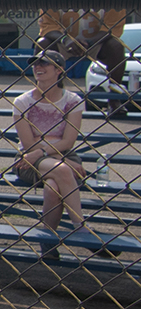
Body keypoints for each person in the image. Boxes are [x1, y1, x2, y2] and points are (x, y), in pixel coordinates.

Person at [12, 50, 101, 241]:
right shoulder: (22, 102)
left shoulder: (72, 101)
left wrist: (49, 153)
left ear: (59, 70)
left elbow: (69, 141)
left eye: (44, 63)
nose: (38, 67)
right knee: (62, 171)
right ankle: (81, 228)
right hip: (29, 160)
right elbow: (28, 145)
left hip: (63, 155)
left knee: (52, 187)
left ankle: (48, 244)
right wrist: (55, 156)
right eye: (36, 63)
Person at [37, 8, 128, 116]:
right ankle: (47, 97)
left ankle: (114, 100)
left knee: (116, 46)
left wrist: (89, 42)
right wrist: (66, 39)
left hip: (97, 41)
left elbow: (111, 27)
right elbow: (48, 27)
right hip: (63, 40)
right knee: (42, 45)